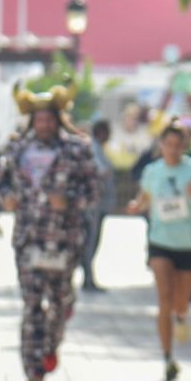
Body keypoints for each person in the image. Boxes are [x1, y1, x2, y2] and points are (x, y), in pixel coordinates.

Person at [0, 85, 100, 381]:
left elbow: (94, 191)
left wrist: (69, 201)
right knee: (31, 305)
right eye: (39, 121)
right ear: (32, 121)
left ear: (58, 120)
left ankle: (52, 345)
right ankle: (33, 369)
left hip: (63, 240)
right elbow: (0, 182)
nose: (44, 126)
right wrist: (7, 199)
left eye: (49, 120)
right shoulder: (17, 149)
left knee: (59, 302)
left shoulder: (77, 149)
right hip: (28, 238)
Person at [129, 123, 191, 381]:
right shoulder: (152, 170)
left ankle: (181, 316)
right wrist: (137, 205)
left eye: (177, 145)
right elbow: (145, 196)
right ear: (161, 144)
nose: (172, 150)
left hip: (190, 242)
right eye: (167, 144)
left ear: (184, 146)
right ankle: (168, 356)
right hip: (161, 240)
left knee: (181, 302)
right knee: (164, 299)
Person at [81, 119, 117, 292]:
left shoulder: (97, 149)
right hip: (93, 204)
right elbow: (100, 172)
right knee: (90, 241)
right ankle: (88, 278)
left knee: (92, 241)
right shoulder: (93, 148)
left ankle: (88, 277)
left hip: (99, 204)